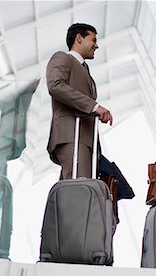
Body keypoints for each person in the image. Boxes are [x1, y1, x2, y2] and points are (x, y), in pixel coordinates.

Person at [46, 23, 113, 179]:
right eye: (93, 40)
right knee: (78, 188)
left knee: (79, 190)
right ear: (78, 38)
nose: (96, 46)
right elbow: (56, 86)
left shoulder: (85, 70)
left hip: (86, 140)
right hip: (72, 135)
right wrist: (94, 106)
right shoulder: (62, 57)